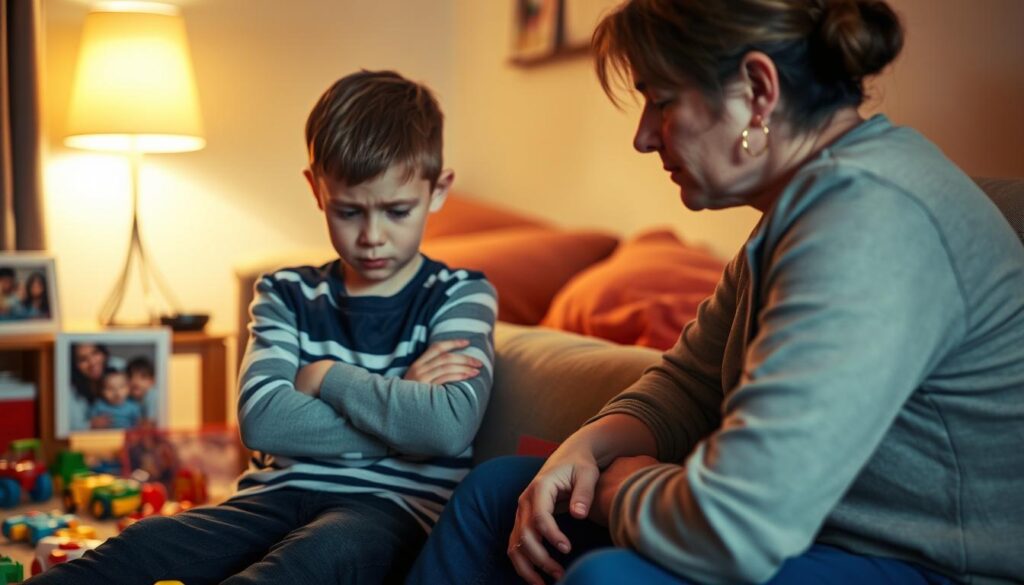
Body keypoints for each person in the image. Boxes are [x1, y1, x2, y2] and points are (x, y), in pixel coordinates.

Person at [407, 1, 1024, 584]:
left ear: (758, 92)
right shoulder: (799, 208)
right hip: (812, 537)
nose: (644, 137)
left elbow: (737, 524)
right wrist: (584, 448)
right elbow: (692, 383)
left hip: (924, 562)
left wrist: (619, 489)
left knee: (609, 577)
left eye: (662, 102)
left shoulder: (871, 219)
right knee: (496, 495)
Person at [28, 70, 498, 585]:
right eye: (349, 211)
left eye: (396, 211)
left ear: (438, 191)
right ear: (316, 189)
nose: (372, 237)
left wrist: (325, 376)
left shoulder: (460, 294)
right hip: (272, 496)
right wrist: (404, 412)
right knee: (144, 545)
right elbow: (264, 420)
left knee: (316, 557)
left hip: (389, 512)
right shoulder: (285, 293)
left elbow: (448, 428)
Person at [67, 343, 120, 431]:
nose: (92, 363)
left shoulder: (118, 368)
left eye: (95, 353)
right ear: (75, 365)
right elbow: (73, 426)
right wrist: (89, 425)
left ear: (103, 354)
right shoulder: (71, 390)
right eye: (83, 359)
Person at [126, 356, 158, 422]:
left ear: (153, 381)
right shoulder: (126, 396)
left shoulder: (153, 395)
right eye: (131, 377)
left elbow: (150, 422)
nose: (135, 381)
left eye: (143, 377)